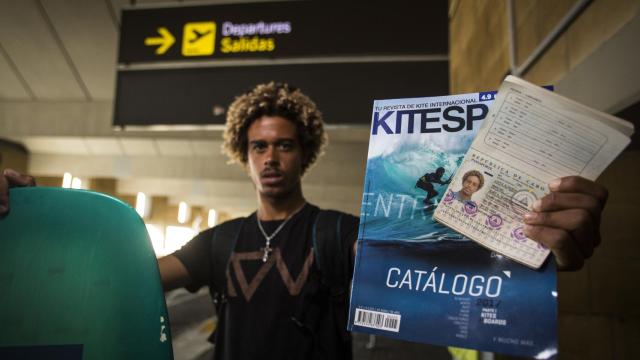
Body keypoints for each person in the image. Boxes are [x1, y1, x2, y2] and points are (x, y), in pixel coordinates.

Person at [0, 82, 610, 358]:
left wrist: (539, 248)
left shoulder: (340, 232)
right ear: (245, 156)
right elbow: (116, 284)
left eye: (284, 145)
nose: (270, 158)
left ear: (305, 153)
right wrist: (23, 229)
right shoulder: (220, 241)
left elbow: (444, 269)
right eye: (259, 147)